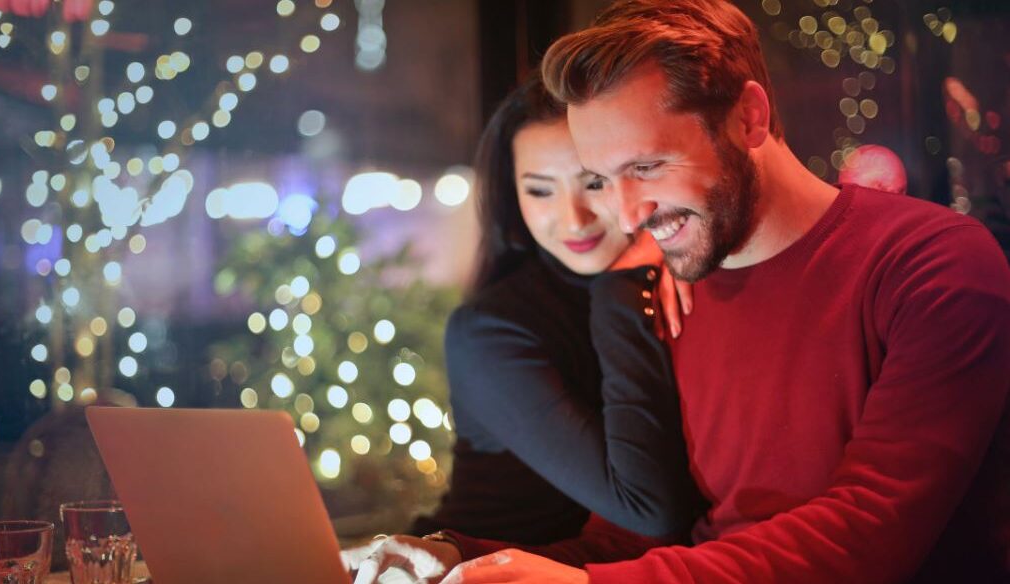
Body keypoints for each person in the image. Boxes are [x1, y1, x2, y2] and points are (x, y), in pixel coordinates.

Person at [351, 1, 1010, 583]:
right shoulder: (674, 285)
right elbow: (637, 541)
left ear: (749, 117)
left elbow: (869, 531)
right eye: (603, 178)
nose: (625, 213)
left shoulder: (929, 264)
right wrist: (458, 559)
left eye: (645, 167)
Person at [342, 75, 705, 582]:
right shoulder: (491, 331)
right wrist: (626, 282)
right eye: (539, 190)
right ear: (513, 198)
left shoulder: (674, 281)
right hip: (470, 572)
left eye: (593, 183)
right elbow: (648, 509)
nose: (572, 219)